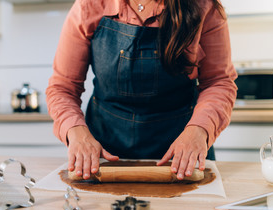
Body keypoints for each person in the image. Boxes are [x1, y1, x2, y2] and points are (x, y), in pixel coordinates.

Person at [46, 0, 237, 181]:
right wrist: (76, 131)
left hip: (183, 155)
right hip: (103, 156)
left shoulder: (204, 6)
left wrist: (199, 130)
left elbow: (218, 83)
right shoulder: (89, 5)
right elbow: (62, 88)